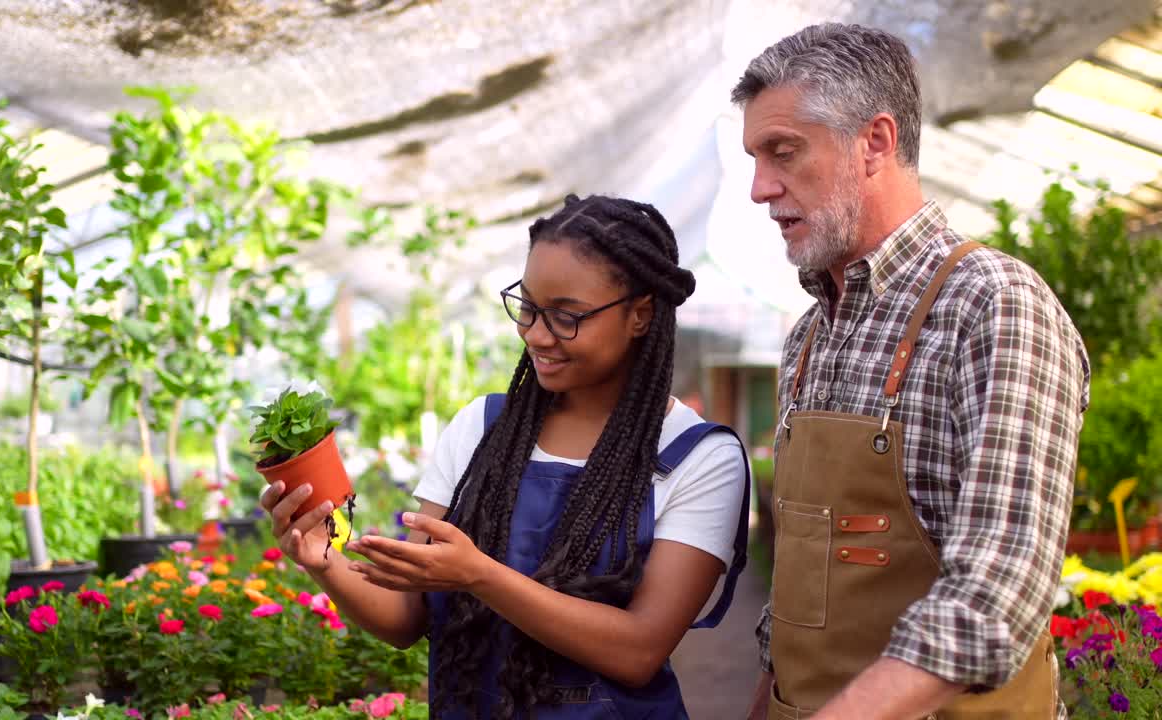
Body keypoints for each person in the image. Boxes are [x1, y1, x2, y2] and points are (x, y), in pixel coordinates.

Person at [262, 194, 751, 719]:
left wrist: (480, 575)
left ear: (640, 314)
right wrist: (324, 560)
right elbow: (405, 619)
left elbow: (638, 650)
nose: (536, 334)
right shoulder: (481, 429)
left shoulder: (700, 457)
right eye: (528, 306)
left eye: (567, 316)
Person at [732, 23, 1091, 720]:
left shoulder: (993, 306)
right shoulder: (812, 334)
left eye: (783, 152)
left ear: (875, 143)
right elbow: (802, 603)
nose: (758, 187)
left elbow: (996, 595)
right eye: (754, 157)